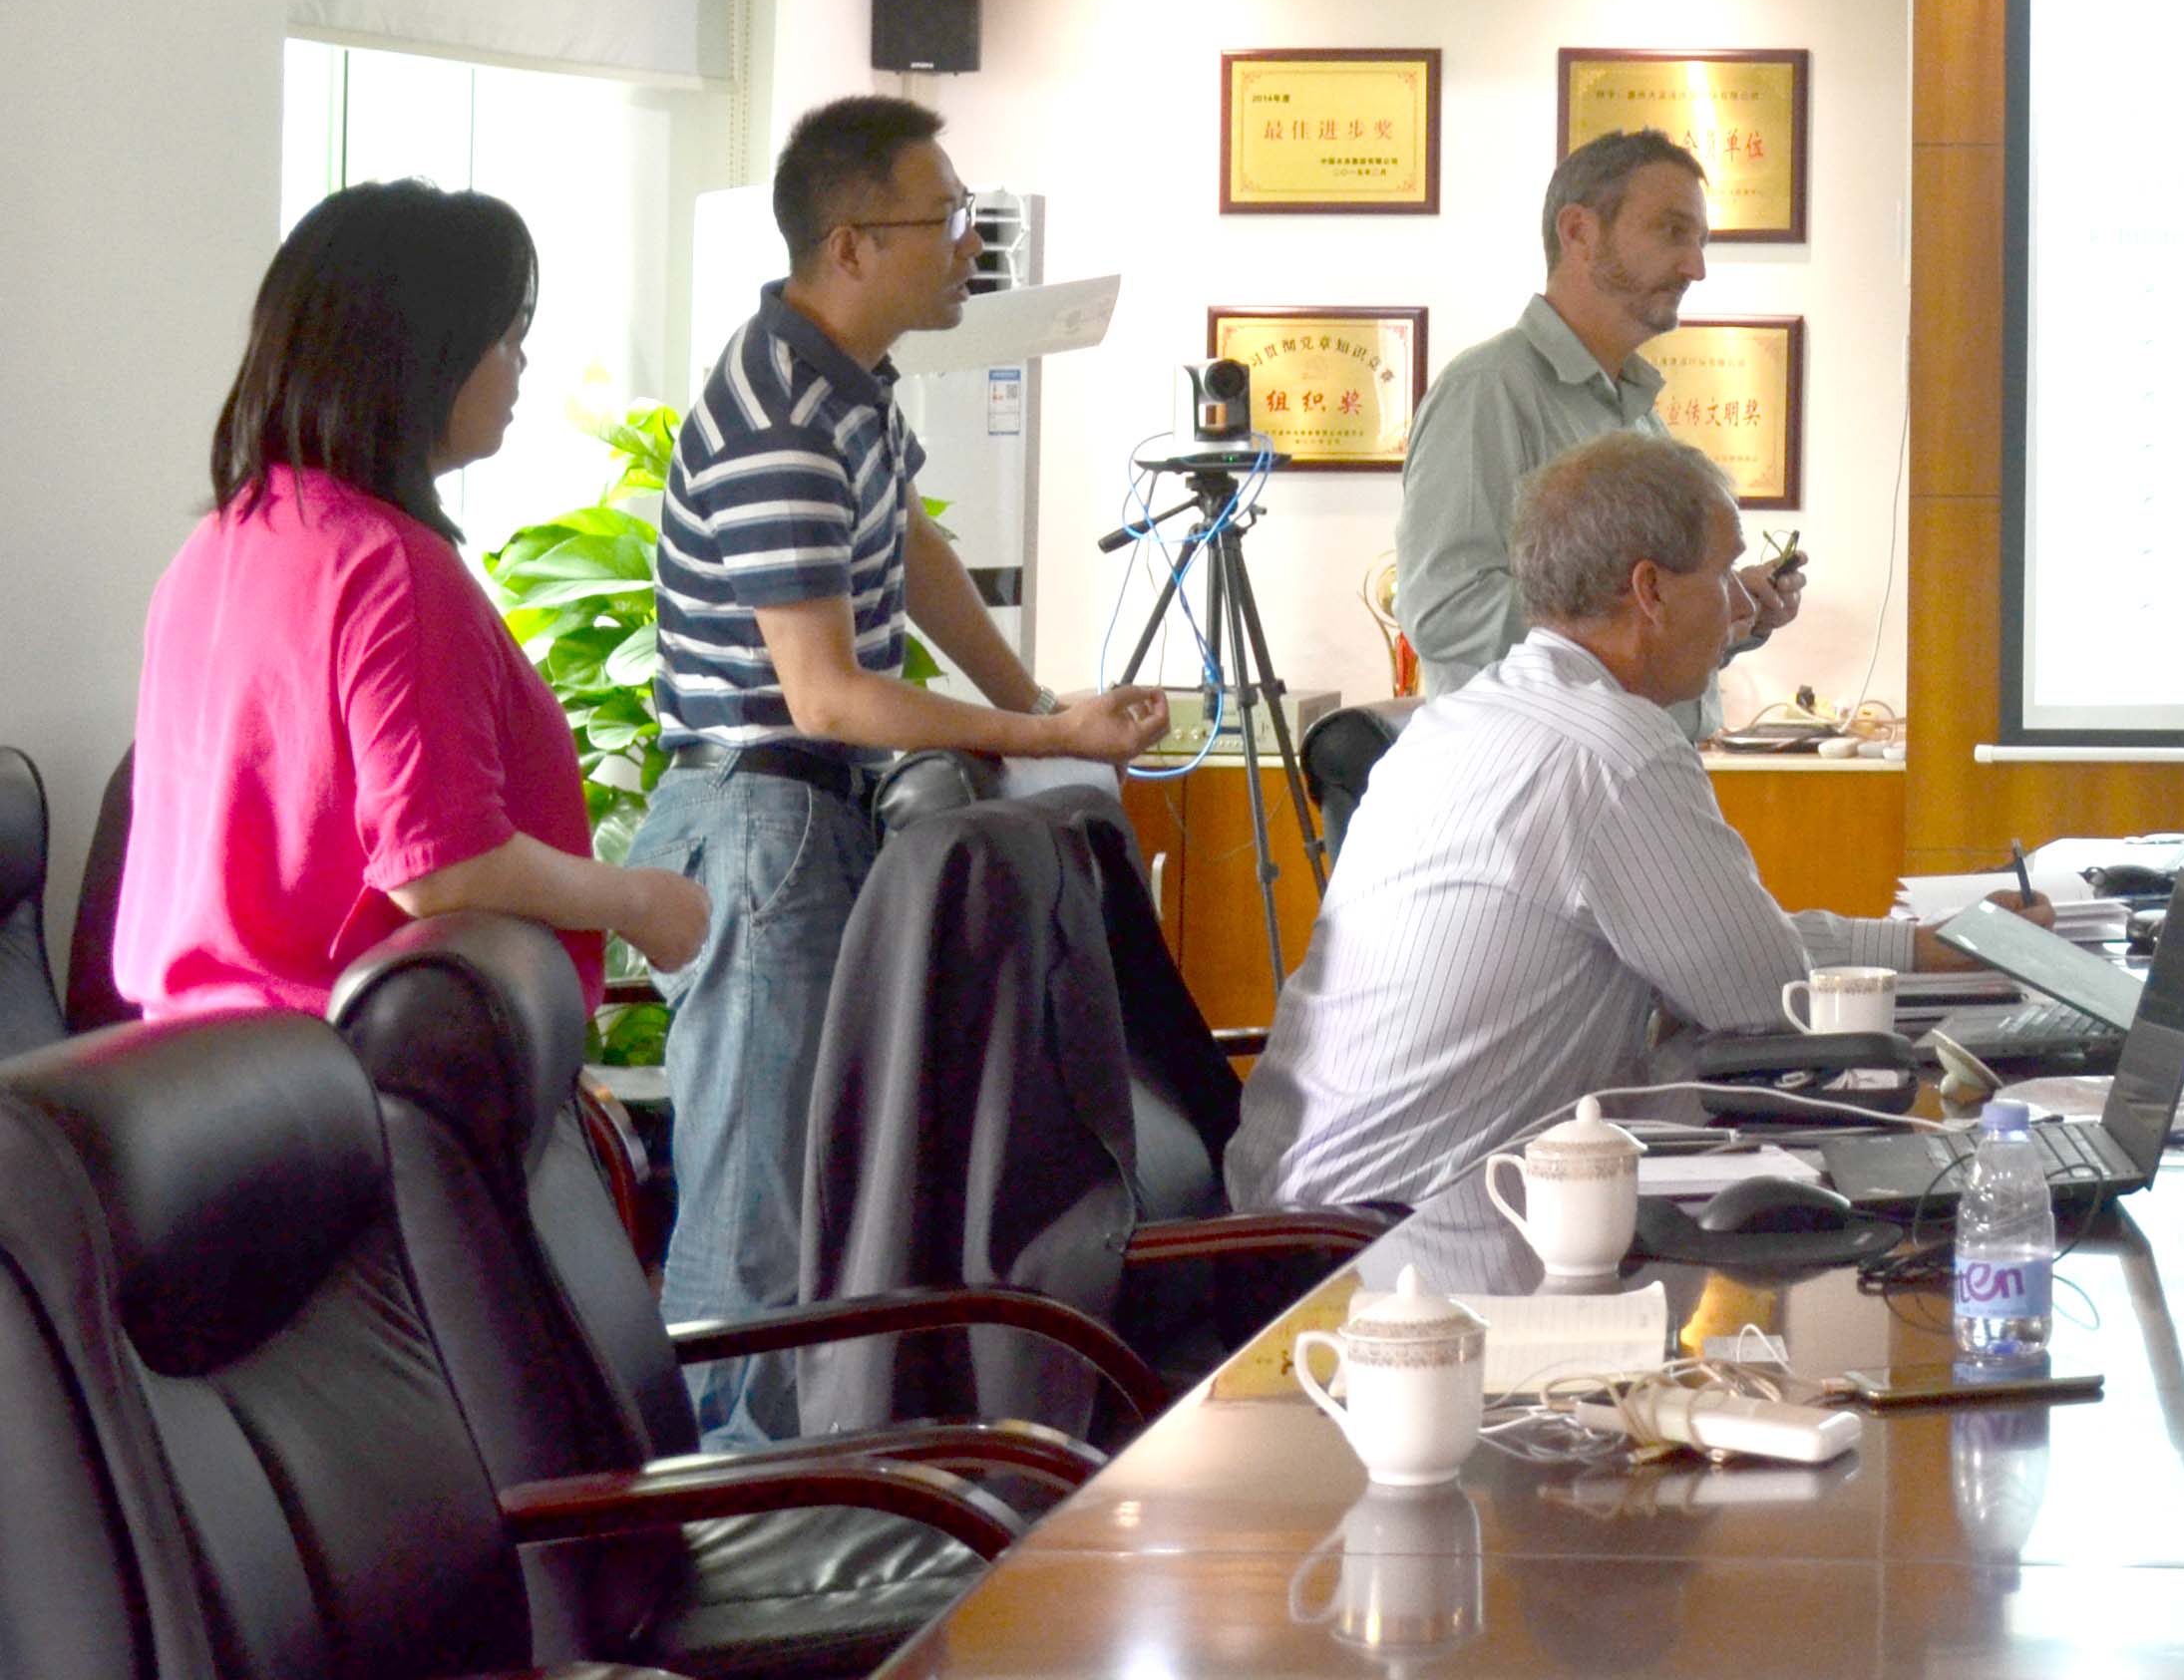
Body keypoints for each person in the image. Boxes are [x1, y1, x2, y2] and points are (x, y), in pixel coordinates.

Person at [634, 97, 1168, 1446]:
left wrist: (1029, 698)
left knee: (818, 1196)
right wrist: (1045, 739)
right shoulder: (777, 413)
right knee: (758, 1216)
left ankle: (803, 1480)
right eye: (947, 222)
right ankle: (730, 1509)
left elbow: (915, 552)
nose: (969, 247)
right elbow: (826, 692)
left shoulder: (847, 385)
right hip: (761, 821)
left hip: (813, 814)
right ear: (852, 245)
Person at [1236, 431, 1938, 1214]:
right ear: (1651, 590)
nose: (1742, 607)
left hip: (1286, 1206)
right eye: (1723, 575)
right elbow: (1772, 999)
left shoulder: (1462, 716)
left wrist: (1918, 946)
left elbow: (1728, 946)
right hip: (1397, 1234)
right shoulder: (1614, 752)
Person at [112, 182, 710, 1020]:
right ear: (419, 351)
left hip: (202, 1064)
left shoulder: (215, 544)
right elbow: (441, 865)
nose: (521, 364)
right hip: (345, 1070)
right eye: (506, 337)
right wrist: (640, 902)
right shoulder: (389, 566)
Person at [1392, 129, 1804, 713]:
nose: (1695, 267)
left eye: (1701, 242)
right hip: (1546, 762)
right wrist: (1646, 618)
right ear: (1579, 232)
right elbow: (1445, 611)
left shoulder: (1637, 411)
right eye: (1672, 231)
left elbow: (1637, 633)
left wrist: (1725, 602)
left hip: (1634, 756)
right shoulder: (1489, 389)